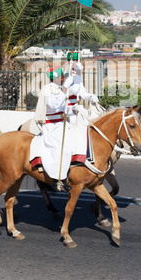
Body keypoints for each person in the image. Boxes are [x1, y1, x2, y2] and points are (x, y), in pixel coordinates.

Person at [30, 64, 85, 192]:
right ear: (56, 78)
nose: (63, 78)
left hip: (62, 123)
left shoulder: (60, 88)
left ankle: (69, 174)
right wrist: (65, 89)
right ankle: (57, 180)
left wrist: (76, 70)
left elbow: (67, 102)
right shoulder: (47, 90)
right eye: (61, 76)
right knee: (61, 148)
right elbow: (54, 105)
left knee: (75, 143)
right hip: (51, 126)